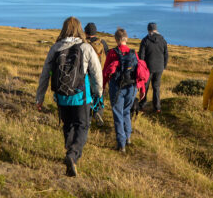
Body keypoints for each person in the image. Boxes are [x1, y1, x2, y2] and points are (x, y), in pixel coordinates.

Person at [35, 16, 103, 177]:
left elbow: (45, 74)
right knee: (82, 126)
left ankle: (69, 152)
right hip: (81, 97)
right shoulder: (86, 48)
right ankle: (72, 155)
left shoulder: (56, 48)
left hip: (61, 97)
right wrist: (98, 93)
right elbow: (96, 73)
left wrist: (40, 97)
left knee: (68, 125)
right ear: (80, 29)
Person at [103, 28, 149, 152]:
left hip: (117, 88)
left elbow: (105, 72)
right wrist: (142, 89)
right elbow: (140, 72)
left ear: (116, 39)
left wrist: (102, 87)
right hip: (132, 88)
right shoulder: (134, 53)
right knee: (126, 111)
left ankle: (121, 143)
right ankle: (128, 137)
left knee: (117, 113)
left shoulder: (112, 53)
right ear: (126, 39)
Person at [138, 22, 168, 112]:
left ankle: (142, 105)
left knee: (145, 86)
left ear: (148, 30)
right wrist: (164, 66)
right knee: (156, 87)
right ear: (156, 29)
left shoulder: (145, 40)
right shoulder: (163, 40)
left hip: (148, 68)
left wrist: (141, 68)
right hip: (159, 67)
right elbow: (166, 55)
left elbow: (141, 56)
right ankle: (157, 107)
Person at [84, 22, 109, 126]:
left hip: (87, 73)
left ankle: (88, 117)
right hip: (100, 73)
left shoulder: (84, 43)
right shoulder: (102, 42)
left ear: (86, 32)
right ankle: (98, 112)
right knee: (99, 93)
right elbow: (107, 57)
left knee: (88, 94)